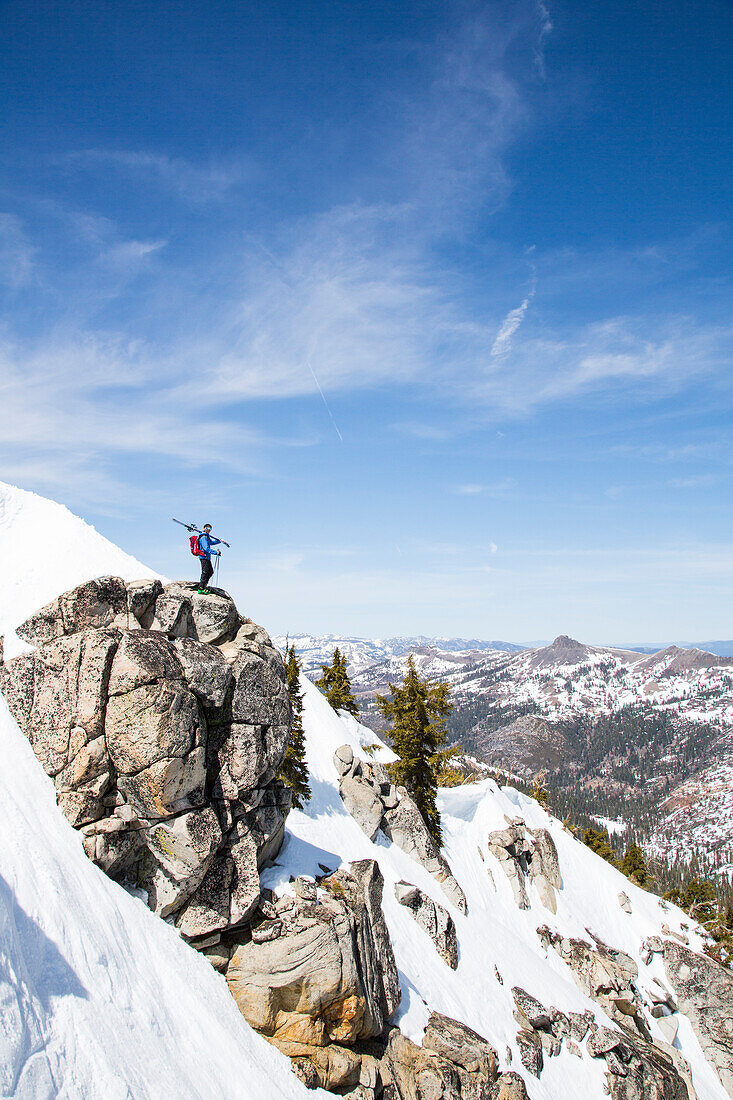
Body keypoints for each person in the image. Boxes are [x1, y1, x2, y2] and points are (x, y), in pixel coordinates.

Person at [196, 524, 222, 593]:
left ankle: (204, 585)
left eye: (210, 529)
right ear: (204, 528)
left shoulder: (207, 537)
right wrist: (215, 552)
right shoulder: (203, 537)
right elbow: (206, 548)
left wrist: (219, 541)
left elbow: (211, 542)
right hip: (203, 557)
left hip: (207, 557)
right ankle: (201, 588)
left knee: (210, 572)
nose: (209, 530)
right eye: (207, 528)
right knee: (205, 572)